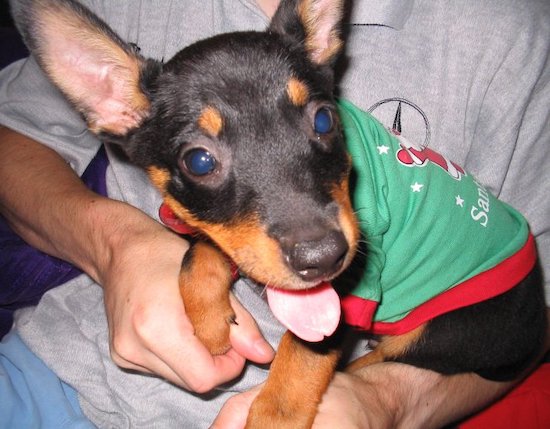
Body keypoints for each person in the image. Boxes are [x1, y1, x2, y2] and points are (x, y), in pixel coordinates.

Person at [0, 0, 549, 427]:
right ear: (116, 111)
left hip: (475, 304)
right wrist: (114, 243)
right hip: (61, 366)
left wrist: (377, 403)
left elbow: (532, 321)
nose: (317, 244)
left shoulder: (509, 30)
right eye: (202, 159)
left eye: (321, 124)